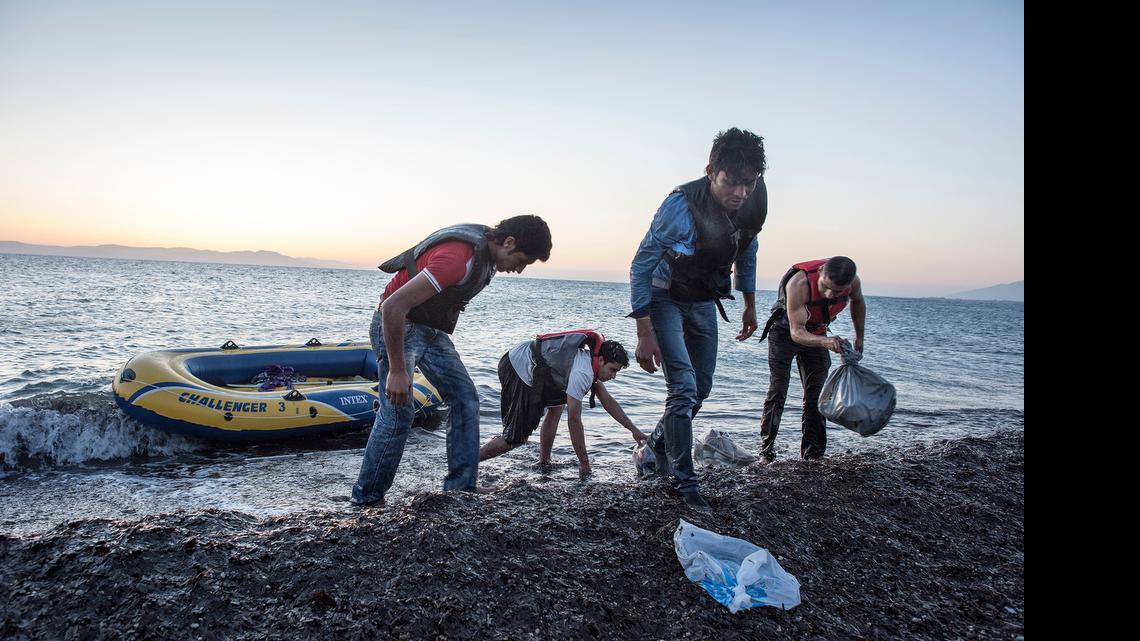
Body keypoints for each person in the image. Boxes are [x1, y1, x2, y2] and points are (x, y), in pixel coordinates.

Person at [350, 216, 553, 506]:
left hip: (429, 330)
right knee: (398, 412)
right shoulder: (458, 258)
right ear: (508, 242)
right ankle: (366, 498)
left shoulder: (487, 256)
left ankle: (461, 487)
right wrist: (396, 370)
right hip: (399, 324)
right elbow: (393, 307)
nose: (520, 270)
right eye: (523, 261)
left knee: (465, 398)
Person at [628, 128, 768, 511]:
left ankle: (652, 450)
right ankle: (684, 482)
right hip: (665, 296)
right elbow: (640, 266)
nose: (740, 193)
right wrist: (644, 332)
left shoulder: (753, 204)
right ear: (711, 171)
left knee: (701, 389)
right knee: (683, 388)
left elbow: (747, 252)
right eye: (731, 183)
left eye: (749, 183)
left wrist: (750, 304)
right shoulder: (679, 205)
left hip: (704, 299)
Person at [478, 330, 646, 479]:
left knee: (557, 406)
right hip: (517, 366)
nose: (614, 376)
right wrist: (584, 463)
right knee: (515, 439)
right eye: (613, 370)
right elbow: (574, 421)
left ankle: (544, 462)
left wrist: (633, 430)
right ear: (601, 360)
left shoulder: (589, 364)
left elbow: (608, 402)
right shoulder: (583, 372)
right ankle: (467, 463)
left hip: (522, 359)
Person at [757, 256, 866, 461]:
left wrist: (859, 336)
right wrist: (825, 342)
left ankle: (813, 454)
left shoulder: (853, 283)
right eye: (825, 287)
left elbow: (858, 302)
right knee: (778, 390)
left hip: (817, 332)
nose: (829, 294)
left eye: (837, 292)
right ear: (822, 272)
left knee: (817, 395)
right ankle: (766, 450)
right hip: (784, 333)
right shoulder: (799, 283)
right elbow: (796, 332)